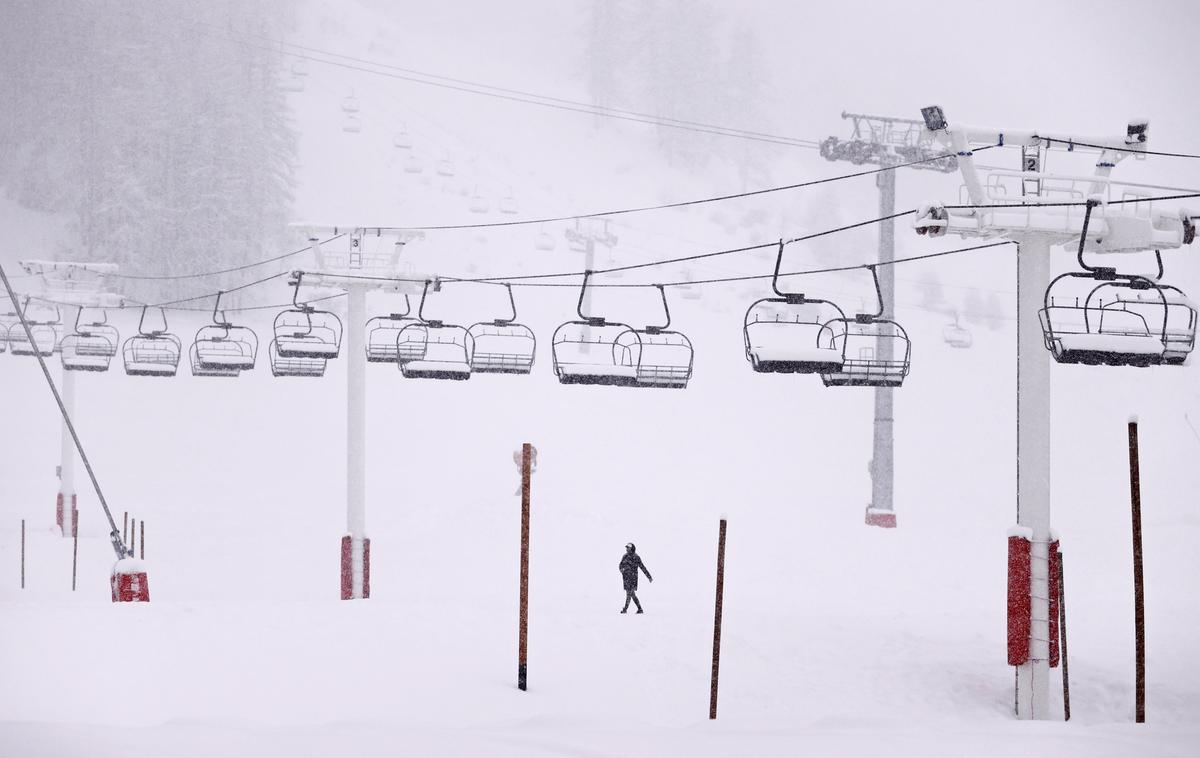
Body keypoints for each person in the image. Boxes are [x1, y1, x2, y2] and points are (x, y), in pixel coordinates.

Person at [618, 543, 652, 614]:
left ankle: (625, 609)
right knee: (632, 594)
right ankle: (640, 609)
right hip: (626, 578)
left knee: (629, 593)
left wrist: (649, 576)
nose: (627, 549)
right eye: (626, 548)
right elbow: (620, 565)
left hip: (633, 578)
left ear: (632, 548)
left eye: (628, 548)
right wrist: (622, 570)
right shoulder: (625, 556)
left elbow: (642, 567)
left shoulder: (636, 557)